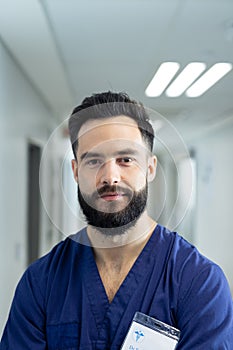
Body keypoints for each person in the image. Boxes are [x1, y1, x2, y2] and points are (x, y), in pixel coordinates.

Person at [1, 91, 233, 349]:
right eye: (94, 160)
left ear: (150, 168)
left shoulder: (198, 282)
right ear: (76, 171)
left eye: (125, 159)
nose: (110, 177)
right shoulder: (41, 283)